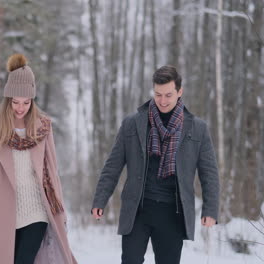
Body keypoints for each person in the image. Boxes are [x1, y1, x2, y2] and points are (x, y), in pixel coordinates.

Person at [91, 65, 220, 264]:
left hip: (173, 213)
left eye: (168, 95)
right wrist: (100, 200)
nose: (162, 101)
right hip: (138, 210)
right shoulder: (133, 123)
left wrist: (210, 210)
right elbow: (113, 165)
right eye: (158, 94)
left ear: (180, 92)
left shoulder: (197, 128)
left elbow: (209, 173)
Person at [0, 54, 77, 264]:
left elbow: (53, 174)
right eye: (16, 102)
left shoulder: (43, 128)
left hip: (37, 212)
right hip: (4, 214)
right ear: (8, 100)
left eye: (26, 102)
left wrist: (60, 214)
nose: (20, 108)